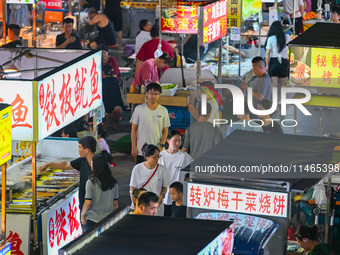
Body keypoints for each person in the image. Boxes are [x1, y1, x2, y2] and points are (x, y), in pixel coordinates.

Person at [39, 136, 96, 231]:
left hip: (92, 210)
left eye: (79, 147)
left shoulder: (99, 163)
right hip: (85, 208)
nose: (78, 150)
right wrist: (48, 164)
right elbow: (66, 164)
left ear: (86, 150)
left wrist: (83, 212)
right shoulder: (83, 161)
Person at [130, 83, 170, 163]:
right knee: (142, 174)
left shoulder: (163, 110)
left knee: (157, 173)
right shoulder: (139, 109)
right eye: (151, 93)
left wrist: (161, 145)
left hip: (157, 151)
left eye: (156, 94)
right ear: (147, 94)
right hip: (142, 151)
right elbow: (133, 129)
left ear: (159, 95)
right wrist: (134, 147)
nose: (153, 96)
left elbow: (165, 131)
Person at [81, 153, 119, 232]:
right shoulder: (113, 182)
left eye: (91, 163)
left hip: (92, 220)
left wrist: (82, 215)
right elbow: (115, 204)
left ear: (95, 166)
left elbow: (87, 203)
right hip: (108, 219)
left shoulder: (91, 182)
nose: (90, 164)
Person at [158, 129, 192, 216]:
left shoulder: (185, 157)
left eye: (180, 141)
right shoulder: (161, 156)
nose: (178, 143)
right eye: (175, 140)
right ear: (168, 141)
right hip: (164, 197)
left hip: (178, 199)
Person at [129, 144, 169, 216]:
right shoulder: (137, 169)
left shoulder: (162, 169)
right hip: (141, 207)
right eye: (154, 157)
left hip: (156, 207)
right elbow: (132, 189)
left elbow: (165, 187)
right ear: (147, 157)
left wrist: (162, 195)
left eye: (158, 156)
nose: (157, 159)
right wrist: (135, 205)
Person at [265, 21, 291, 92]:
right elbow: (291, 49)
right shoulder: (287, 37)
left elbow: (267, 54)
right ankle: (283, 101)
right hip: (284, 62)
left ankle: (274, 101)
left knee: (274, 84)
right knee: (284, 84)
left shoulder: (271, 38)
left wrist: (267, 66)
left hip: (274, 62)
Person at [102, 64, 123, 131]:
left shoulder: (101, 82)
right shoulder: (115, 81)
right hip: (116, 106)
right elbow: (119, 95)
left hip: (104, 107)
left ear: (102, 72)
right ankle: (116, 126)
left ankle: (104, 128)